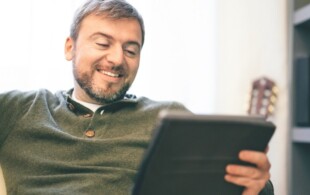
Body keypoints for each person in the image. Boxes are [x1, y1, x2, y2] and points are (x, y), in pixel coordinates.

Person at [0, 0, 273, 194]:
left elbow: (228, 183)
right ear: (70, 47)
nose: (117, 59)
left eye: (131, 50)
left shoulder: (170, 118)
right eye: (102, 43)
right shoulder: (21, 108)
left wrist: (259, 185)